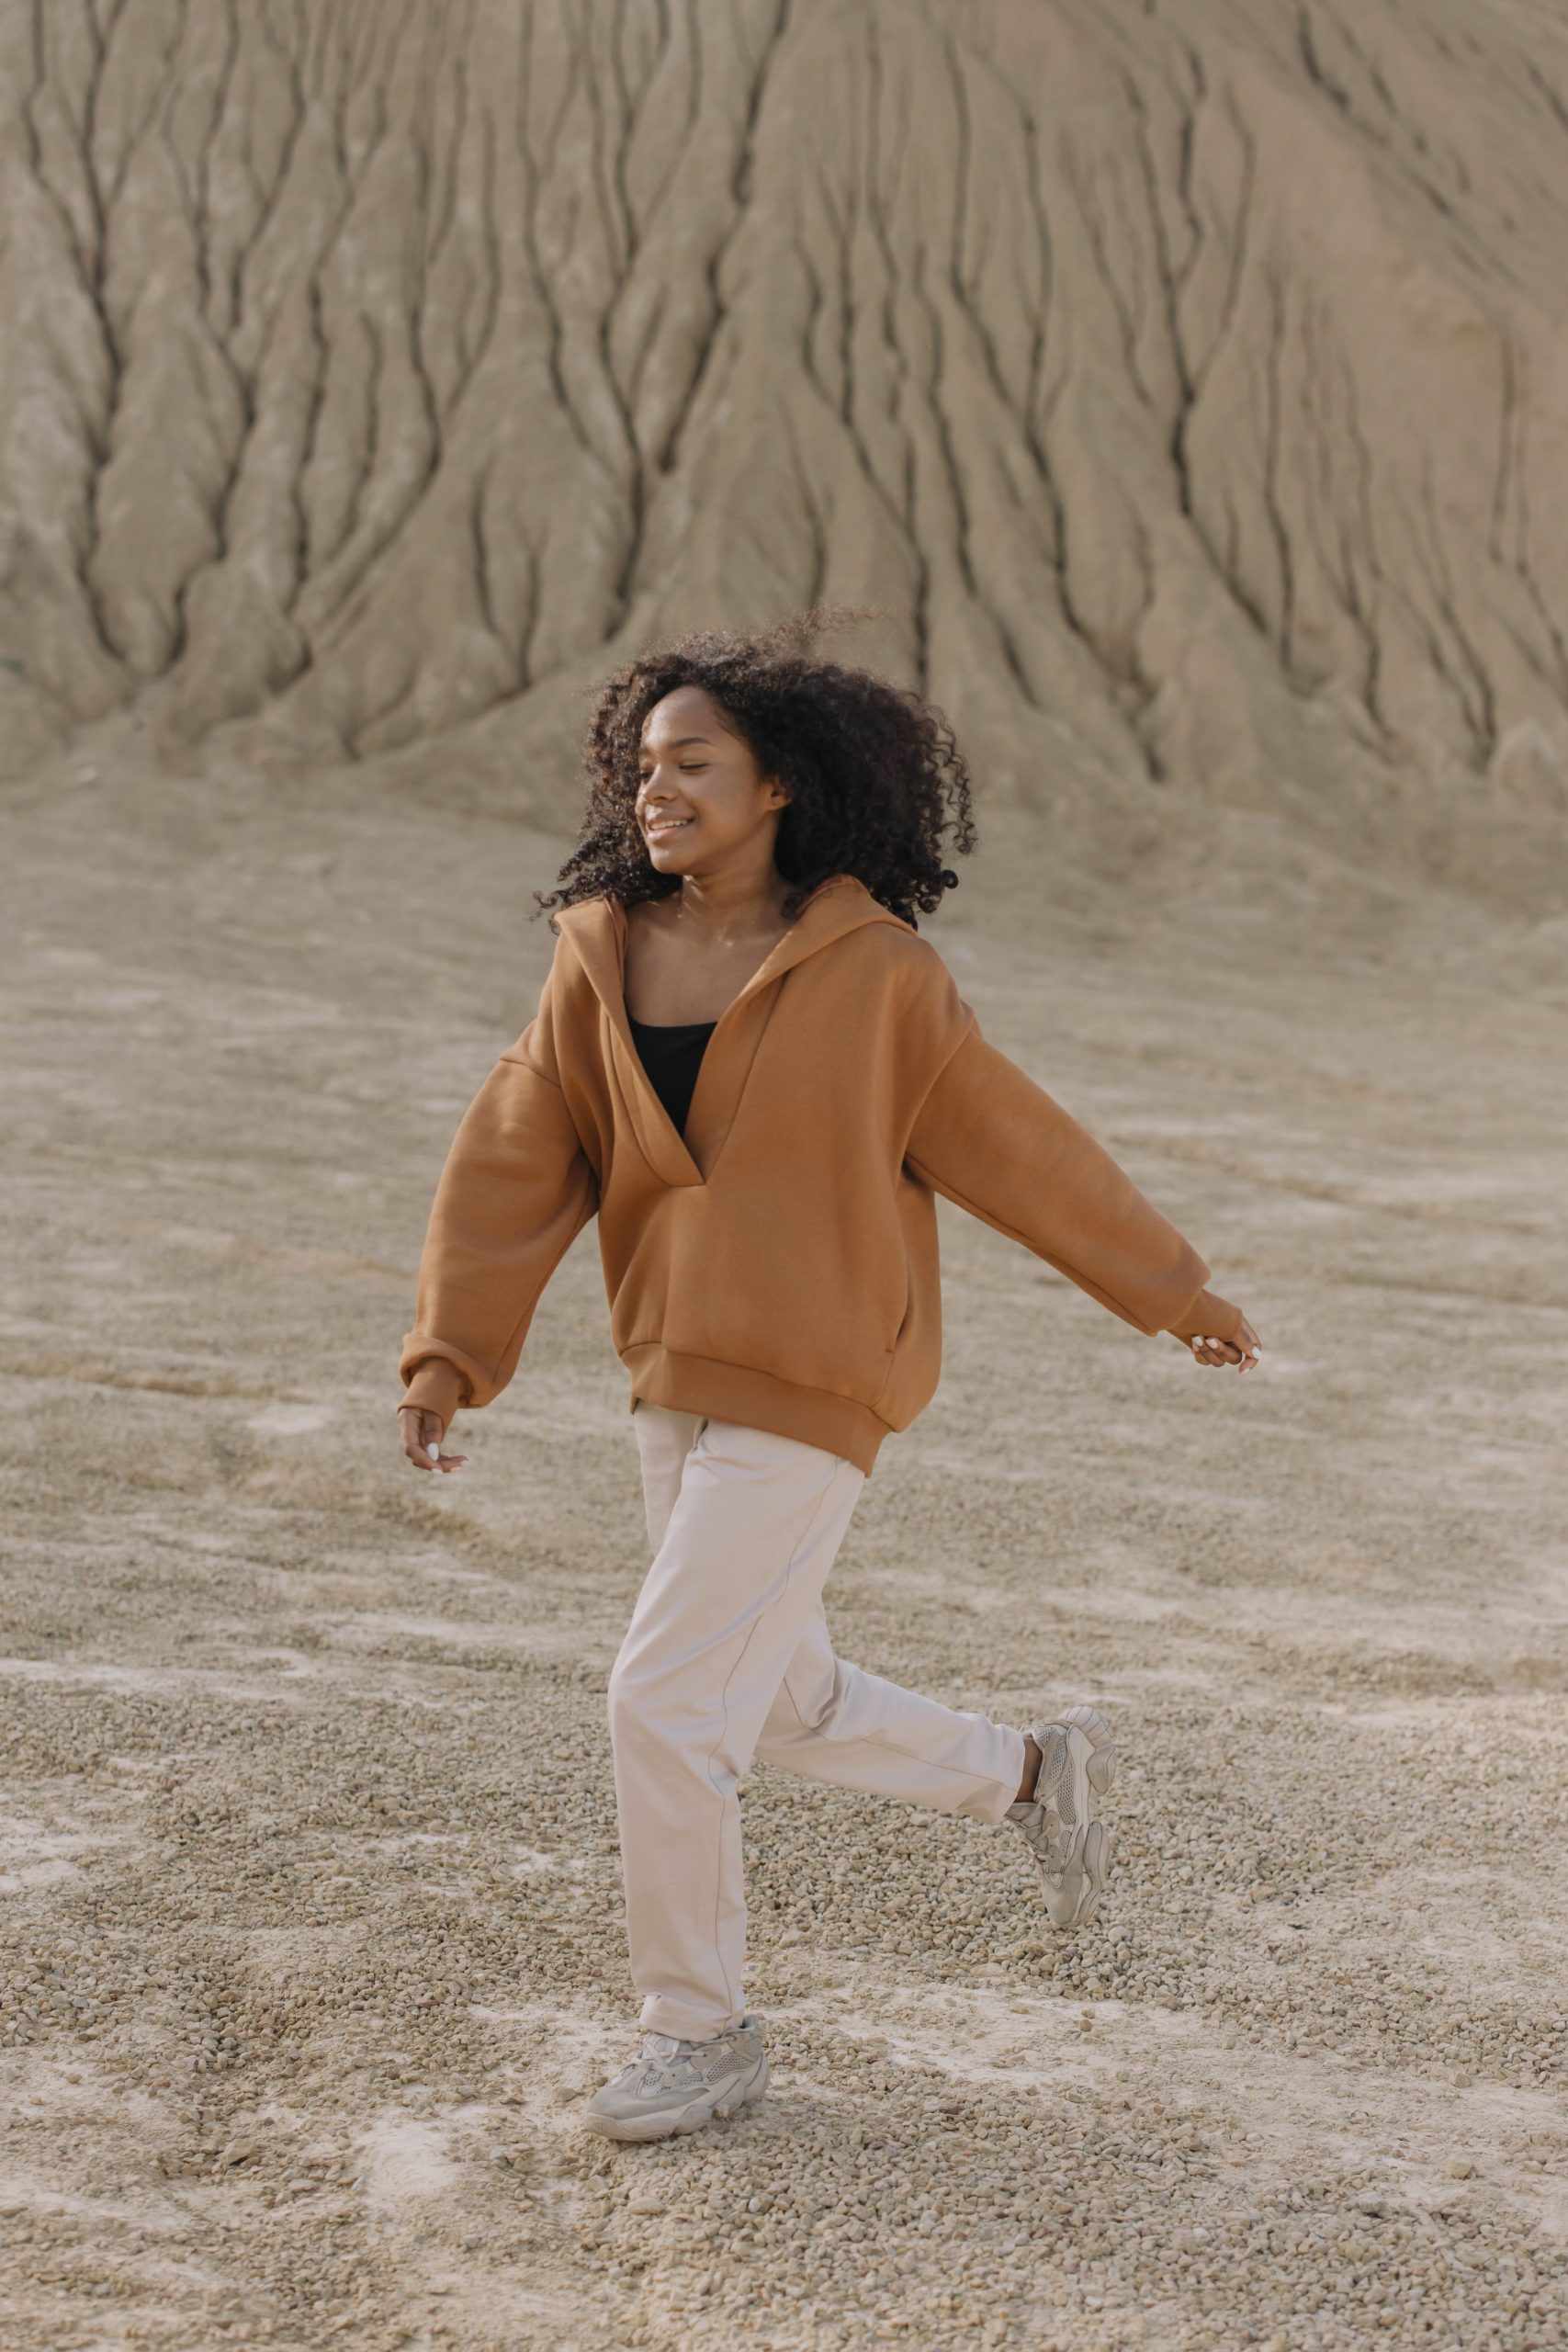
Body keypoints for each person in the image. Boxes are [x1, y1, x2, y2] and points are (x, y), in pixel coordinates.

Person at [394, 615, 1260, 2146]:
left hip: (819, 1378)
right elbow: (520, 1152)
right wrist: (454, 1353)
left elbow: (1016, 1146)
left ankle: (700, 2029)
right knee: (775, 1692)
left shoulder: (879, 976)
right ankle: (1033, 1775)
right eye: (641, 765)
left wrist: (1170, 1290)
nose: (655, 790)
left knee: (665, 1700)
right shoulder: (599, 952)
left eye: (693, 764)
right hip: (671, 1369)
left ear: (780, 782)